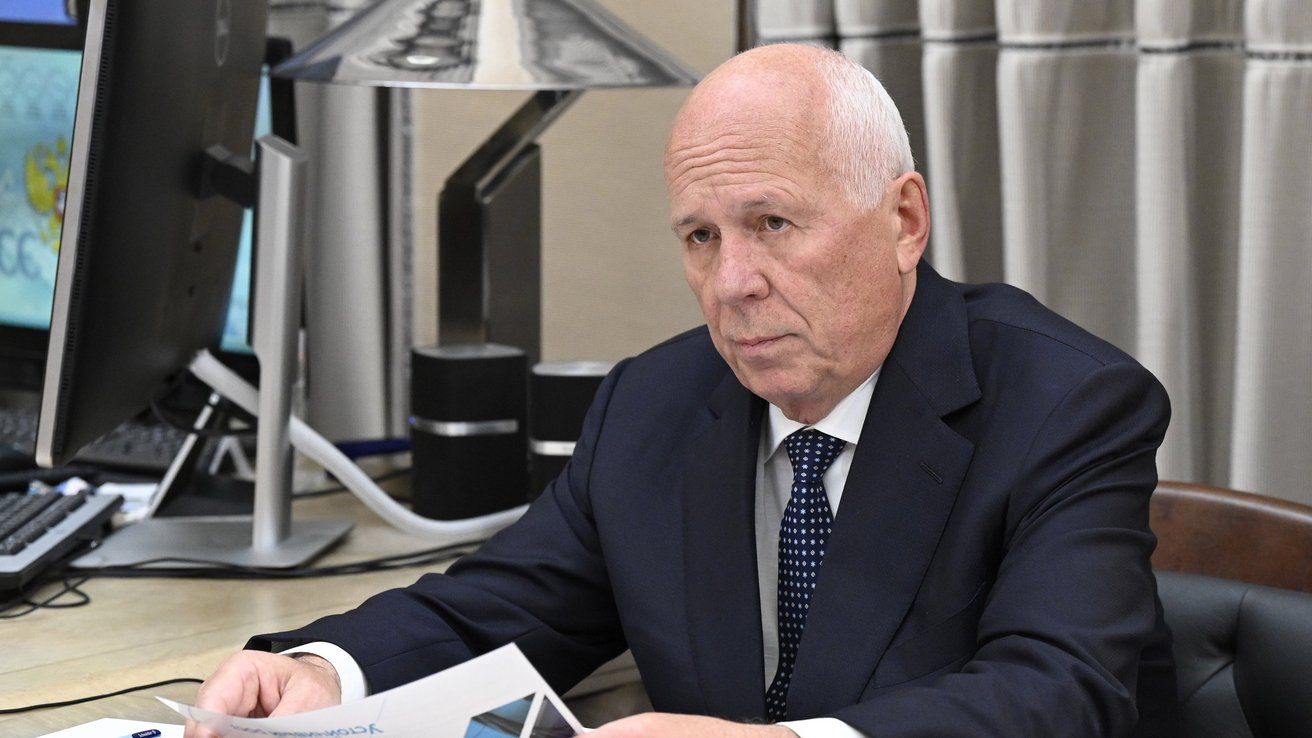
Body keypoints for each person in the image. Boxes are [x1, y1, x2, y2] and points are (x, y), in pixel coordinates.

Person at [186, 43, 1177, 738]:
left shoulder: (1067, 405)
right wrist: (322, 670)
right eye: (701, 237)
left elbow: (1062, 693)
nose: (733, 283)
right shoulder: (652, 404)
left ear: (904, 221)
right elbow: (496, 608)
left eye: (773, 224)